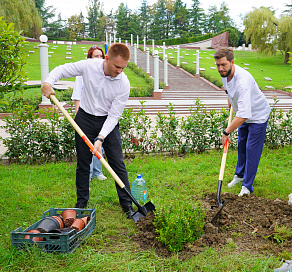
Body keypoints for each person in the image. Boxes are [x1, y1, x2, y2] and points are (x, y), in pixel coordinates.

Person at [41, 43, 134, 218]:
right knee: (83, 163)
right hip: (84, 118)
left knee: (117, 164)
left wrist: (100, 139)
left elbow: (114, 115)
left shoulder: (124, 83)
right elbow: (62, 69)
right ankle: (81, 202)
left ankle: (127, 205)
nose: (119, 71)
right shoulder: (89, 66)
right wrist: (48, 82)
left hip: (107, 122)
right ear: (106, 59)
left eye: (123, 68)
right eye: (116, 66)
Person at [214, 47, 271, 196]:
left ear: (232, 62)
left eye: (223, 65)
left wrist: (226, 132)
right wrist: (230, 98)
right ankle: (239, 176)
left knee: (252, 149)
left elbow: (244, 115)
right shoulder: (224, 73)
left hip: (257, 115)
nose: (220, 68)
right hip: (243, 112)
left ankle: (247, 186)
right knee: (242, 145)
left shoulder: (243, 81)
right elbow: (228, 87)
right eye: (218, 65)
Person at [71, 45, 107, 181]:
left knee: (99, 143)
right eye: (95, 56)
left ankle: (98, 172)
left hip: (100, 116)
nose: (98, 59)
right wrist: (77, 115)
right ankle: (89, 172)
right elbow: (77, 95)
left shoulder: (105, 73)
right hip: (85, 115)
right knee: (87, 146)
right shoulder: (83, 72)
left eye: (100, 56)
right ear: (89, 58)